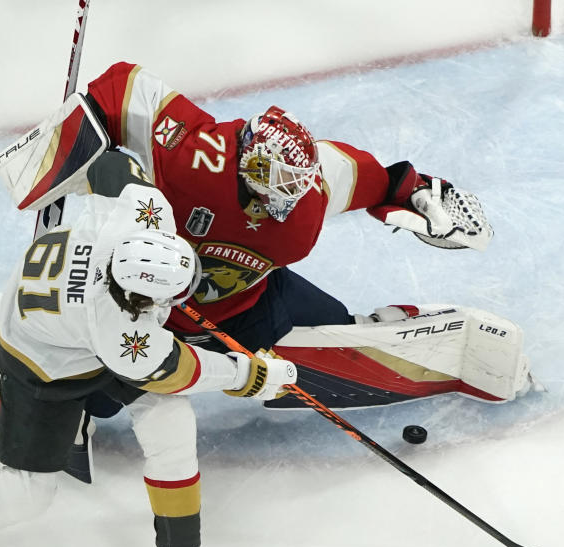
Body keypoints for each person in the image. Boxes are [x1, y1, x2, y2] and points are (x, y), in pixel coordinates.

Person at [0, 150, 297, 547]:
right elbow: (177, 368)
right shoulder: (118, 331)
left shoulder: (141, 214)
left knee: (171, 420)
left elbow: (110, 162)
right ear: (135, 296)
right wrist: (252, 376)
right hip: (40, 361)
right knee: (28, 493)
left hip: (66, 322)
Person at [71, 62, 531, 411]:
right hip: (140, 309)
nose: (294, 198)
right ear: (251, 169)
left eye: (300, 183)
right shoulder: (194, 155)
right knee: (95, 399)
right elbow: (122, 87)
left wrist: (424, 198)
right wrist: (65, 143)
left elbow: (384, 182)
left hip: (249, 307)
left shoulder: (309, 197)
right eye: (284, 186)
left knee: (340, 330)